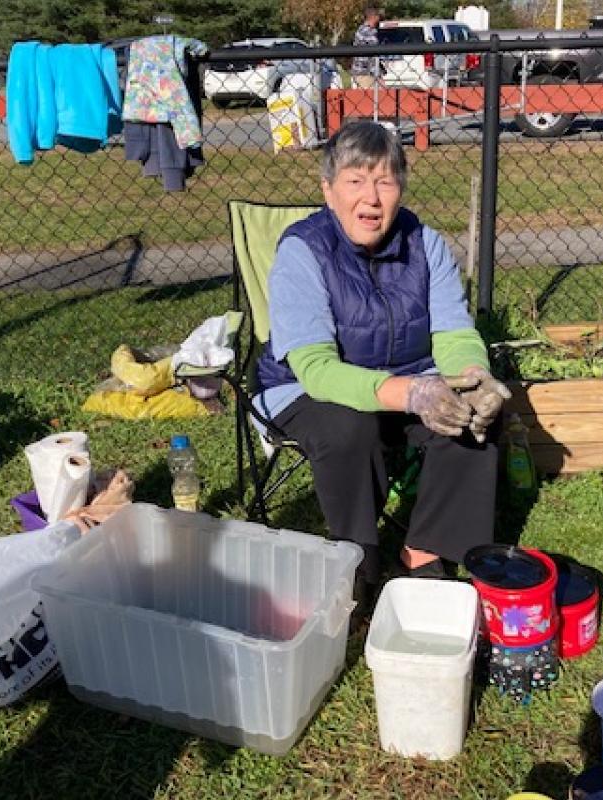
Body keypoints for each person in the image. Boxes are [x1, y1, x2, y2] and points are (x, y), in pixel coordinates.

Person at [255, 121, 511, 608]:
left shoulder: (424, 243)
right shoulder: (301, 250)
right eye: (355, 181)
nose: (371, 198)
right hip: (304, 388)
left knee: (476, 419)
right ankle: (357, 560)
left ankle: (425, 550)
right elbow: (316, 370)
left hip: (410, 375)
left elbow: (453, 331)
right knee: (347, 428)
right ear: (328, 191)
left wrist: (474, 378)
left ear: (401, 189)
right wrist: (413, 394)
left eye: (385, 181)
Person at [350, 4, 383, 89]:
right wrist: (378, 75)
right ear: (374, 17)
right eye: (379, 16)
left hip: (363, 72)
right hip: (365, 73)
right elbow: (374, 52)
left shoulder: (362, 29)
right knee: (370, 99)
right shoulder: (368, 31)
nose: (380, 18)